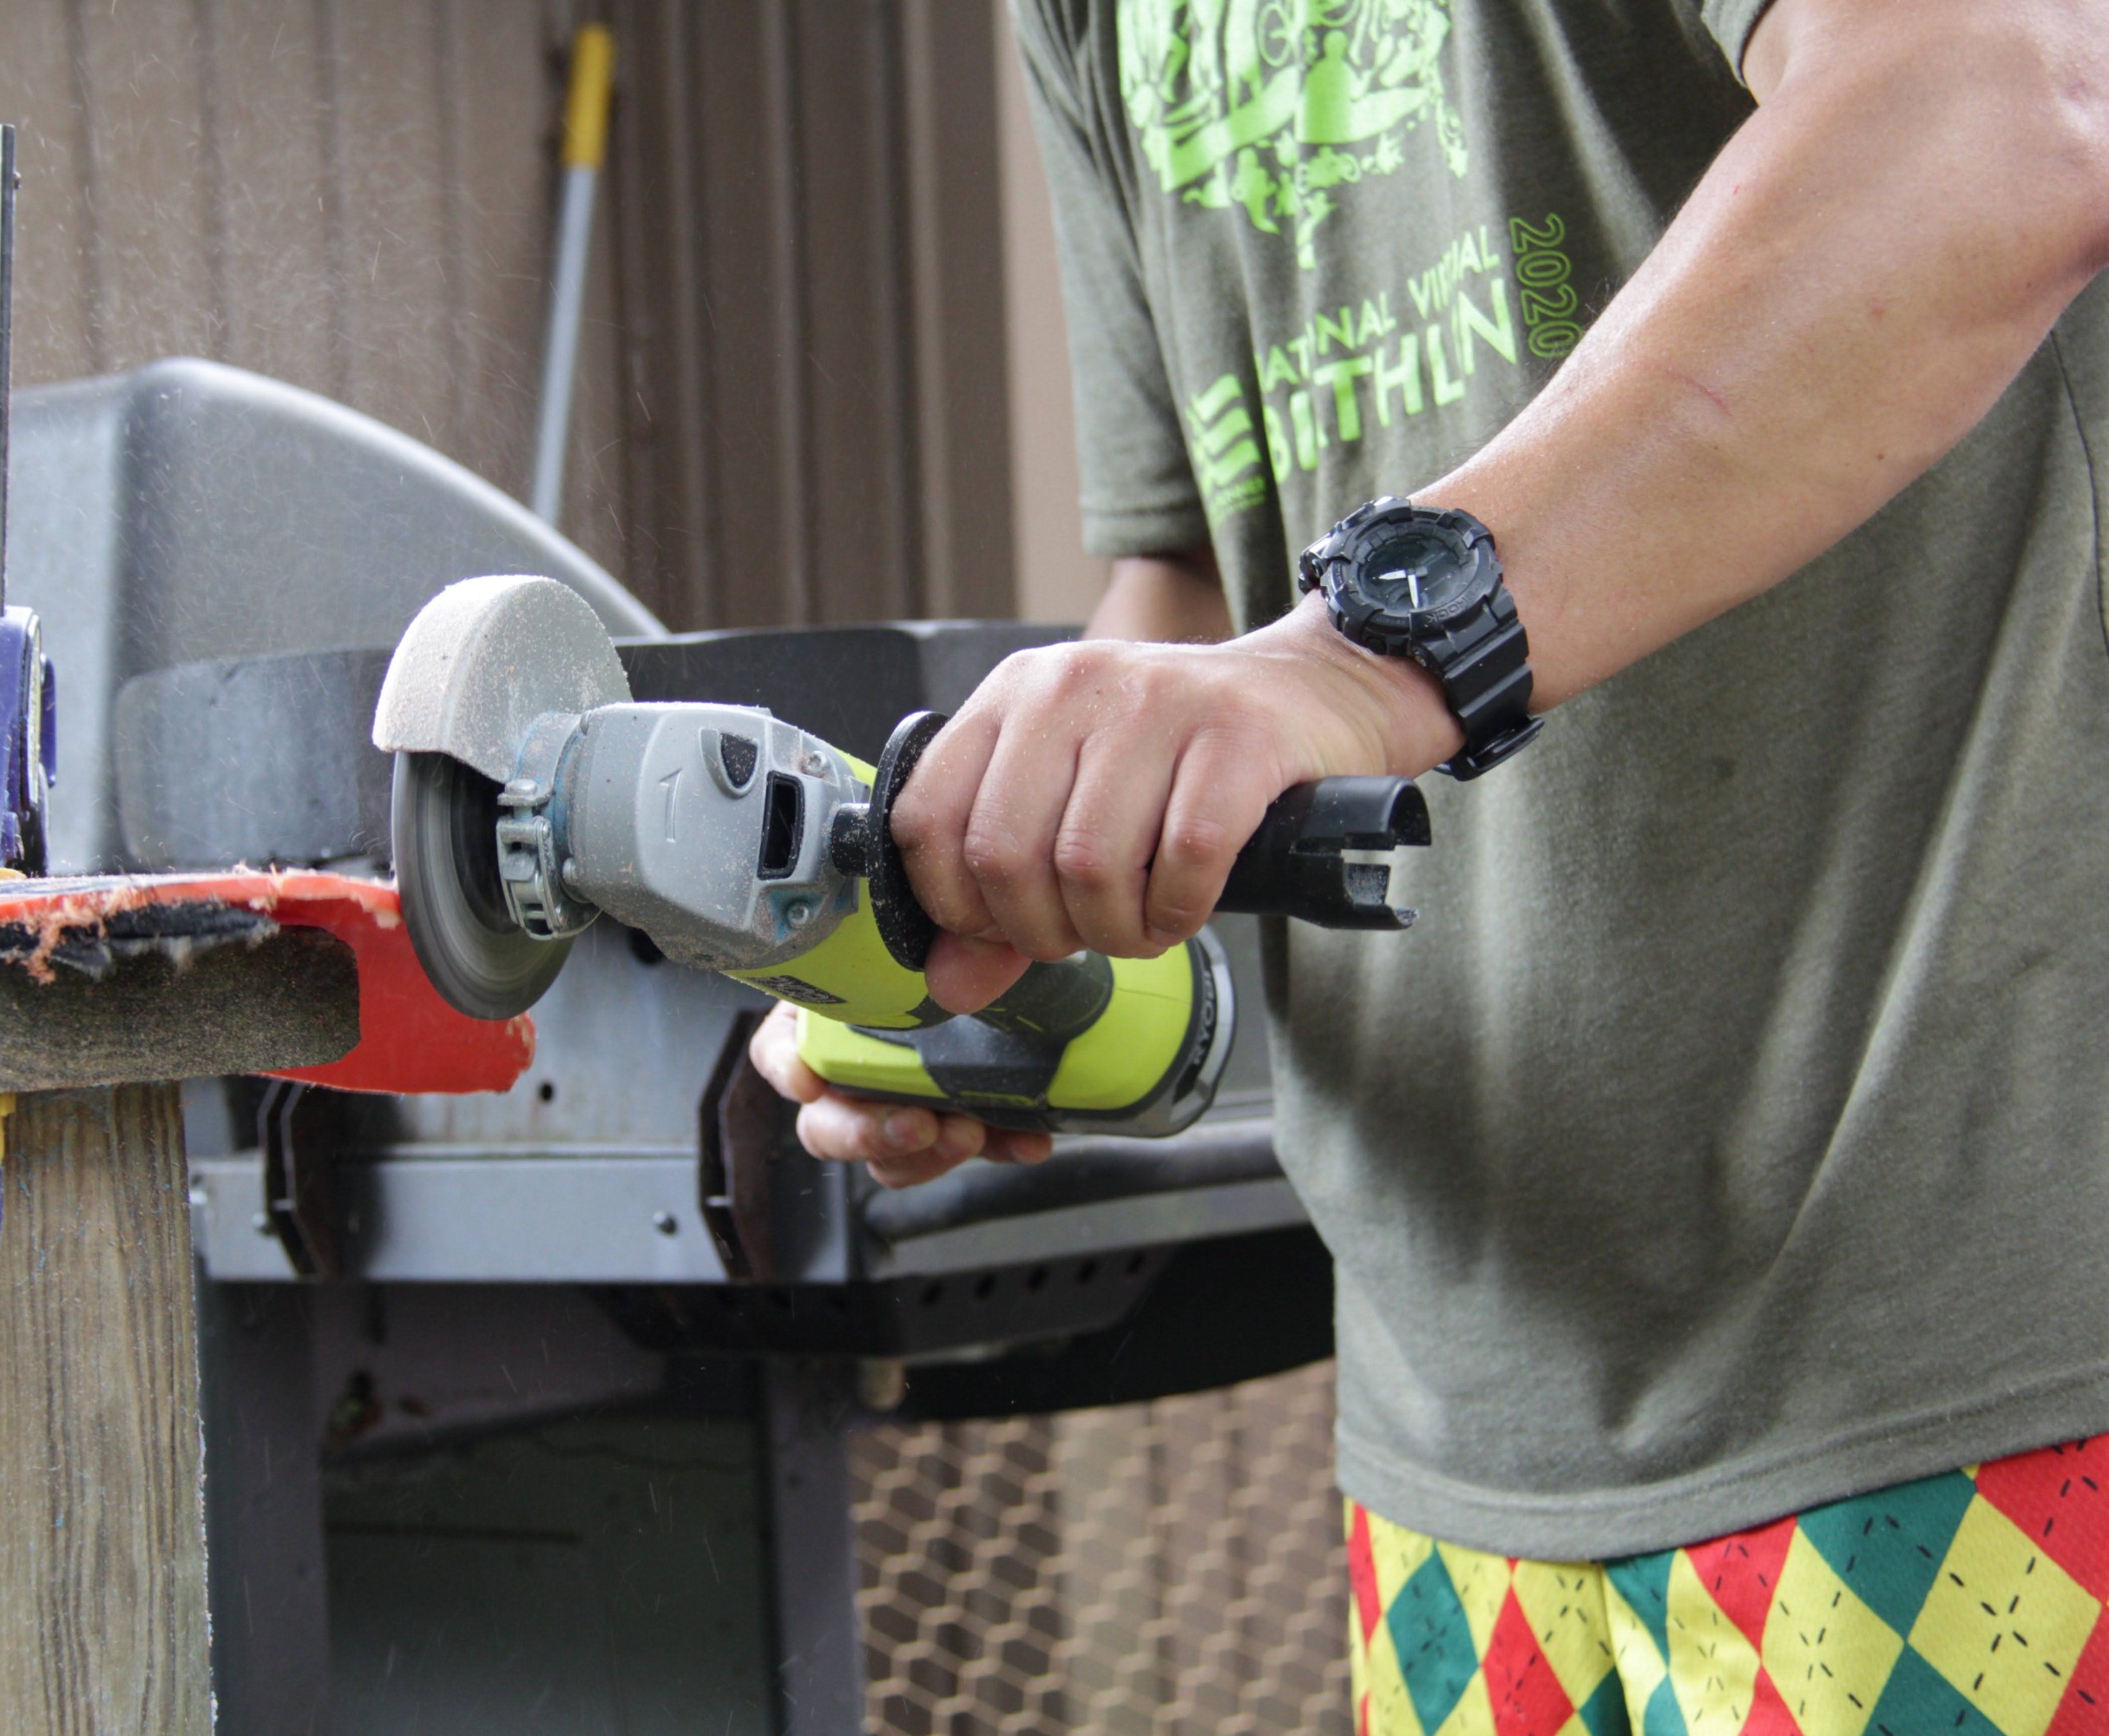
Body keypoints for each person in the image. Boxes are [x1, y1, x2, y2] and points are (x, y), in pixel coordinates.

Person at [752, 0, 2109, 1728]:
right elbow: (1205, 582)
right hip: (1455, 1454)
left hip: (1985, 1370)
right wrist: (1018, 901)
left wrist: (1369, 650)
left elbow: (2006, 108)